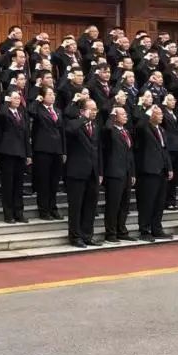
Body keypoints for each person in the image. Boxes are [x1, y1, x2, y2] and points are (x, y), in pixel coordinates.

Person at [64, 96, 102, 248]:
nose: (94, 112)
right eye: (91, 109)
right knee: (76, 206)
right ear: (82, 111)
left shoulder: (96, 126)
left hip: (92, 171)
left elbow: (97, 150)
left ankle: (87, 235)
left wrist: (99, 172)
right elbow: (69, 130)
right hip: (77, 171)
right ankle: (75, 237)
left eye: (95, 109)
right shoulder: (74, 123)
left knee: (90, 205)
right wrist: (82, 119)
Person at [134, 103, 173, 242]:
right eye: (158, 114)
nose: (161, 116)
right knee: (147, 201)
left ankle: (157, 228)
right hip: (149, 170)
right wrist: (149, 110)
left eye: (162, 114)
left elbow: (165, 150)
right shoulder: (145, 128)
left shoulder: (162, 130)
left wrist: (169, 168)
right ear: (151, 116)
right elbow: (139, 125)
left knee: (159, 201)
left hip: (162, 170)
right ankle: (144, 229)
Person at [29, 86, 65, 221]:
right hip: (43, 149)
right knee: (44, 181)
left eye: (53, 94)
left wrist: (63, 150)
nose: (52, 96)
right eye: (49, 94)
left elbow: (62, 132)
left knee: (54, 182)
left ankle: (53, 207)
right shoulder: (38, 109)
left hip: (56, 150)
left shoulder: (57, 111)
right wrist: (37, 101)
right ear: (42, 96)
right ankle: (44, 210)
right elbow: (30, 111)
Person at [0, 91, 30, 224]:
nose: (17, 100)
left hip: (20, 152)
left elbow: (26, 134)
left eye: (19, 98)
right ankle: (8, 213)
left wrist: (28, 154)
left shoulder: (21, 113)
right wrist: (6, 102)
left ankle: (19, 212)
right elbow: (1, 114)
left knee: (18, 185)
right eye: (14, 98)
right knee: (8, 184)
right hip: (8, 152)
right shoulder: (5, 112)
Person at [102, 106, 135, 243]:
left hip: (126, 172)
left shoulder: (126, 131)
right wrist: (111, 114)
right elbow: (107, 128)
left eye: (126, 114)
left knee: (124, 204)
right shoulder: (111, 130)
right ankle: (110, 233)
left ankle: (121, 229)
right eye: (122, 114)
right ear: (115, 117)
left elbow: (130, 153)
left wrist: (132, 172)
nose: (126, 116)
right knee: (113, 204)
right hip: (114, 173)